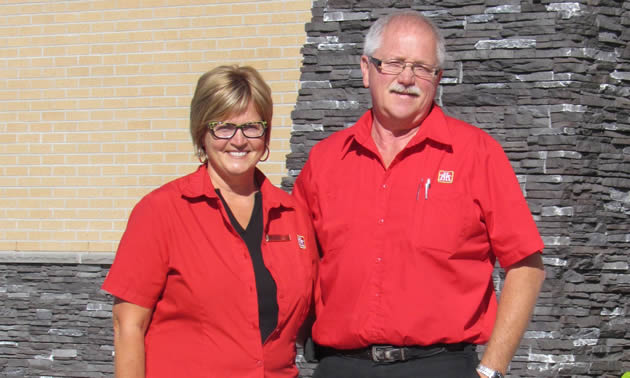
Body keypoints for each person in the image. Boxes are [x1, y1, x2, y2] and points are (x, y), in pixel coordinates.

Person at [292, 11, 545, 378]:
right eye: (393, 64)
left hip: (439, 366)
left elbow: (526, 265)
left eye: (422, 68)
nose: (406, 78)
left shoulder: (476, 154)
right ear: (366, 70)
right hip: (340, 366)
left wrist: (493, 370)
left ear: (437, 79)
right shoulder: (325, 160)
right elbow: (292, 265)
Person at [102, 65, 318, 378]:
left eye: (252, 127)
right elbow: (128, 326)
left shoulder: (292, 216)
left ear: (266, 133)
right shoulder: (161, 211)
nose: (239, 140)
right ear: (202, 131)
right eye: (224, 127)